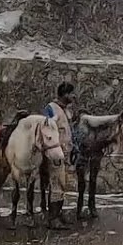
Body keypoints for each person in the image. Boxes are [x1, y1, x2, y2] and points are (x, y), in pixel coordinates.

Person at [41, 82, 77, 227]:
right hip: (56, 153)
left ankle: (58, 213)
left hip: (66, 153)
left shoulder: (66, 111)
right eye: (71, 93)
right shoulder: (51, 109)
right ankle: (53, 218)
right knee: (56, 183)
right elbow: (46, 128)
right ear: (65, 94)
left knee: (63, 184)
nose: (73, 96)